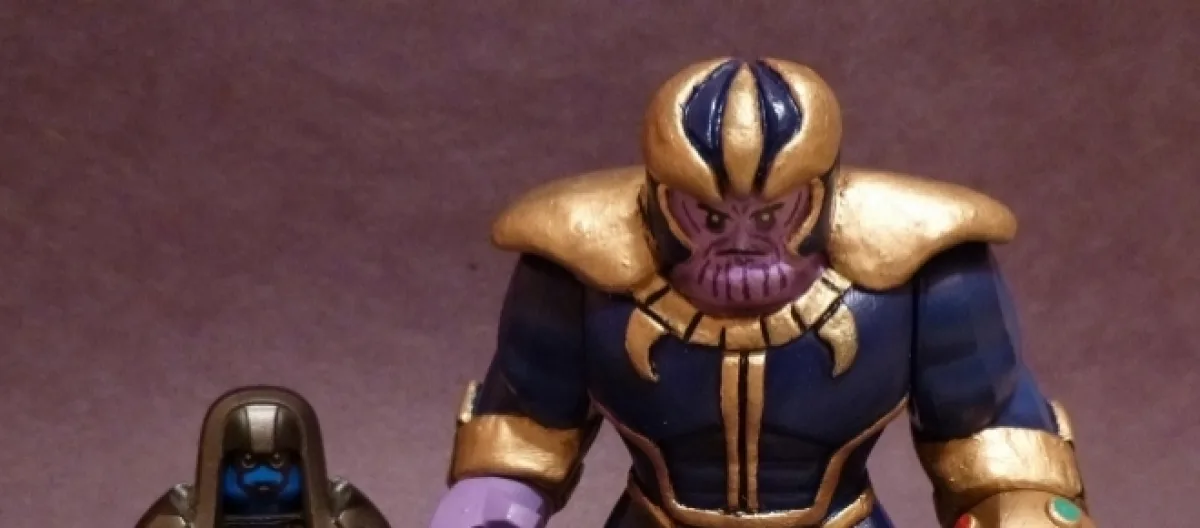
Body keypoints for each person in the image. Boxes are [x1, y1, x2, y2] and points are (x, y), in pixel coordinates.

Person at [429, 57, 1094, 528]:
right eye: (709, 217)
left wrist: (1026, 513)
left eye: (773, 214)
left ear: (823, 196)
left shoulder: (927, 273)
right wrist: (486, 511)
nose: (742, 243)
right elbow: (522, 437)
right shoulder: (578, 270)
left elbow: (992, 442)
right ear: (659, 202)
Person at [136, 385, 391, 528]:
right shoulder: (179, 513)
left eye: (278, 461)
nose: (262, 477)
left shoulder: (342, 506)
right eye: (247, 462)